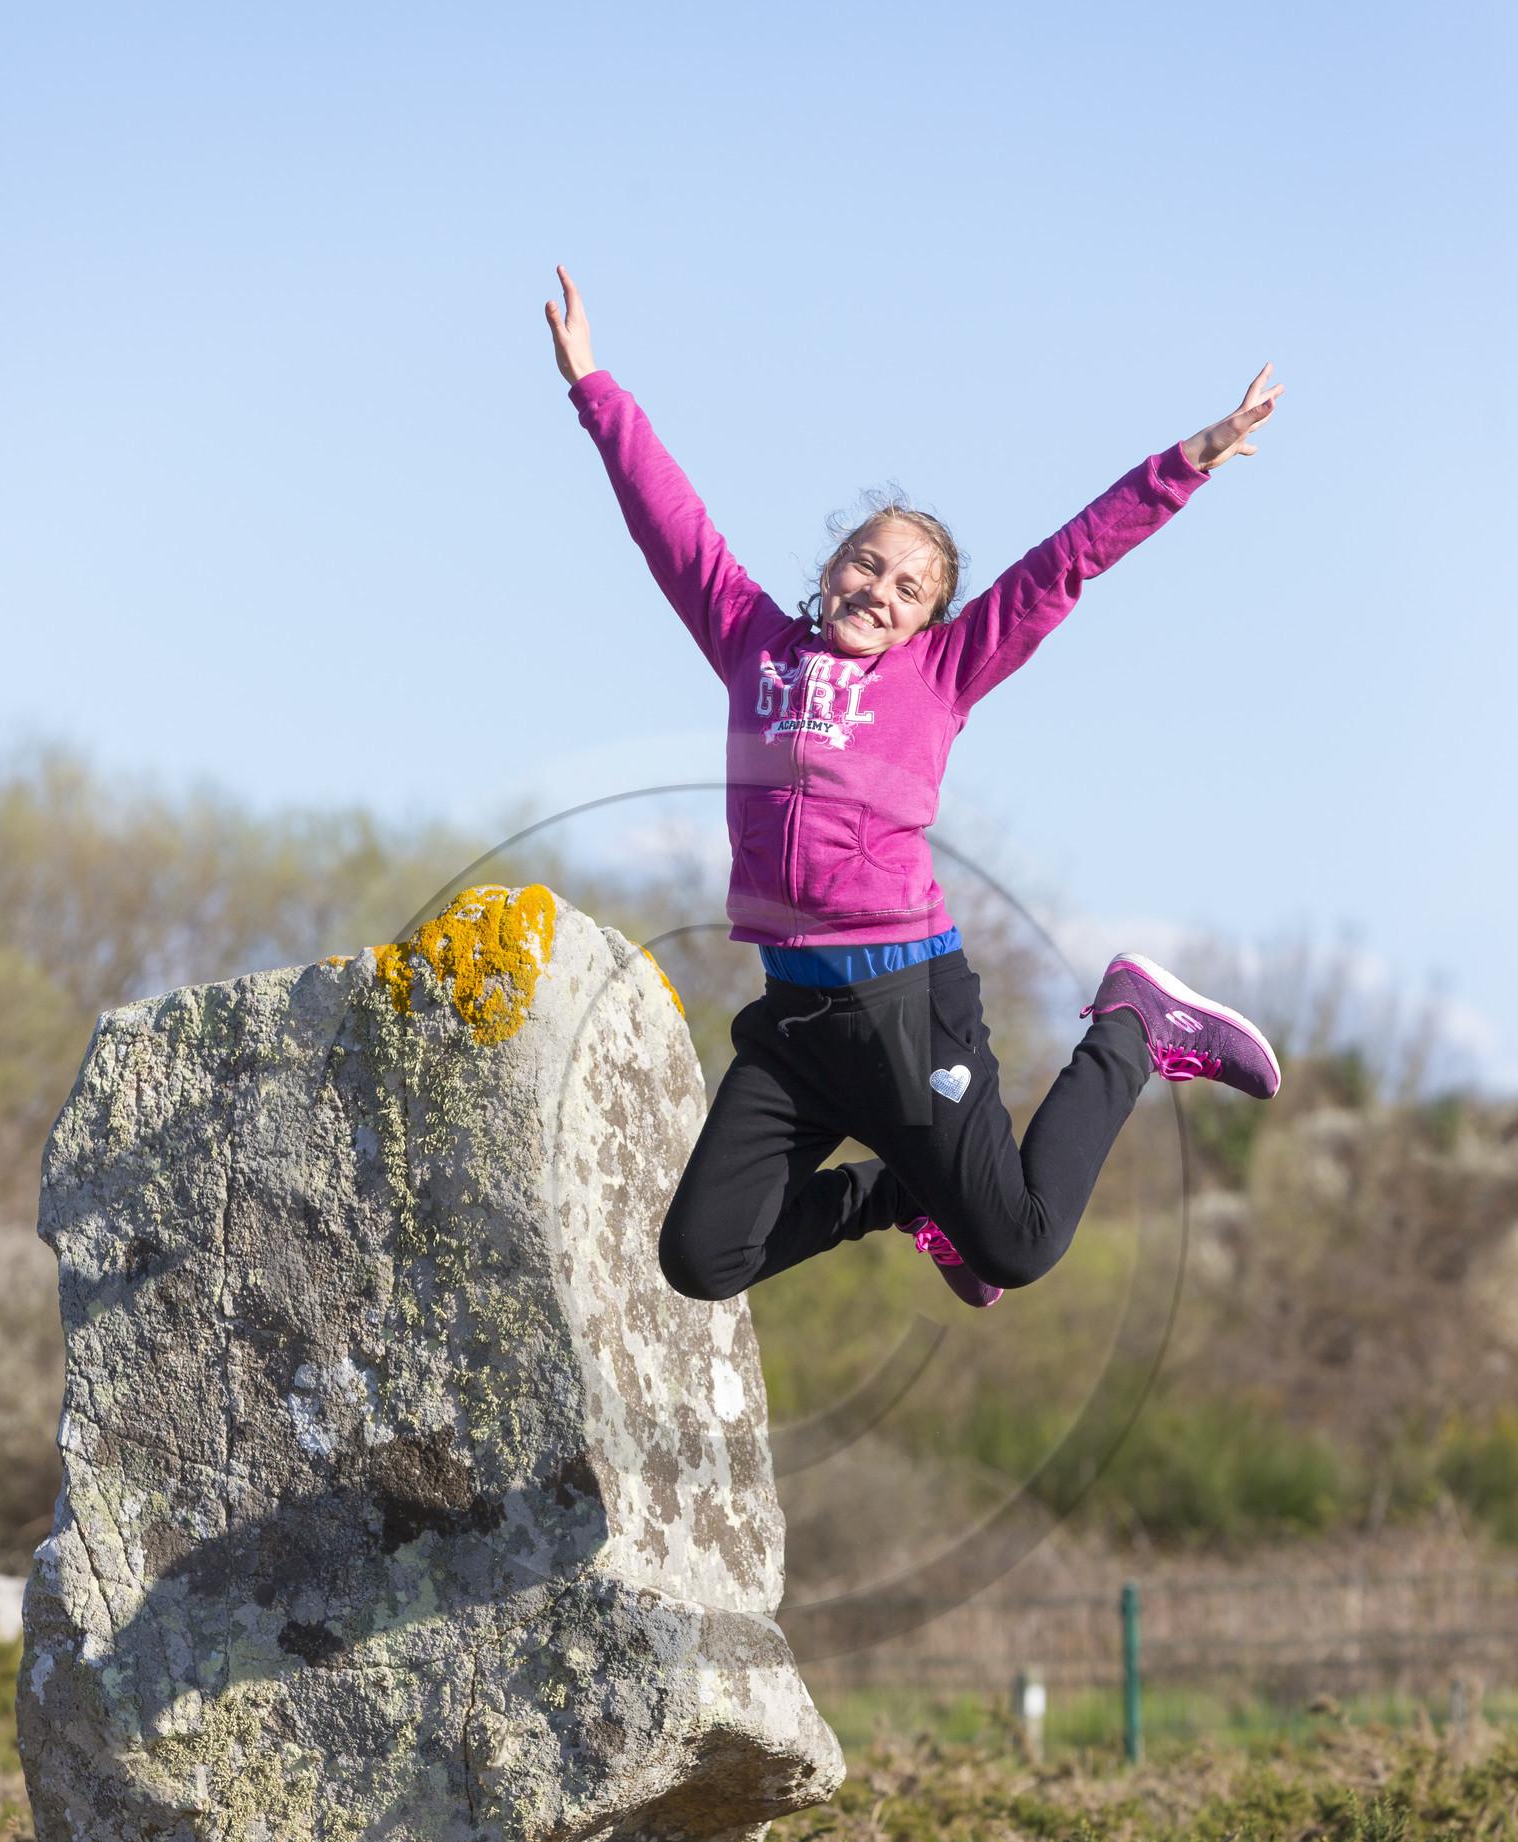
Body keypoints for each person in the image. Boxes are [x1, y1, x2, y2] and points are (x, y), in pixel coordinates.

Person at [545, 267, 1283, 1310]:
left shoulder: (939, 674)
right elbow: (668, 521)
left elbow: (1064, 564)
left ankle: (1130, 1025)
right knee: (699, 1260)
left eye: (907, 587)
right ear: (828, 567)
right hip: (796, 1022)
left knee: (1019, 1247)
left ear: (930, 621)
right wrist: (593, 387)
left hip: (906, 1008)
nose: (876, 590)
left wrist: (1188, 461)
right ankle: (900, 1196)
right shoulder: (752, 643)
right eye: (864, 563)